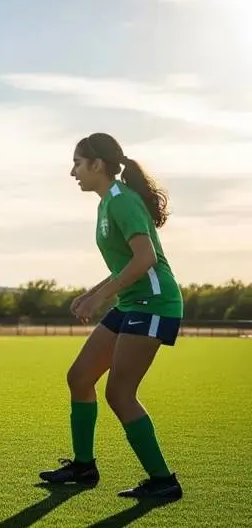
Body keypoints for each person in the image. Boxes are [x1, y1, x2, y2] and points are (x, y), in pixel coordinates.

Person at [40, 133, 183, 500]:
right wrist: (91, 293)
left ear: (97, 165)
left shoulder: (122, 202)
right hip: (132, 303)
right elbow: (125, 263)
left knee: (119, 393)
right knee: (80, 377)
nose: (73, 171)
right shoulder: (106, 204)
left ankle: (163, 480)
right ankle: (84, 467)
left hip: (153, 303)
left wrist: (100, 298)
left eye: (77, 163)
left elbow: (146, 259)